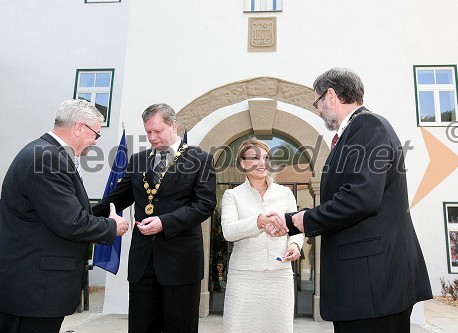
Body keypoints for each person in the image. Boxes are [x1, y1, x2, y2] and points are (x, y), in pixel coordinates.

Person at [286, 68, 433, 333]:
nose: (318, 111)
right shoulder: (357, 132)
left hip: (373, 284)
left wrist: (308, 219)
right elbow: (347, 197)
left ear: (331, 95)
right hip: (368, 286)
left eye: (317, 102)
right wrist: (293, 220)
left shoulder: (367, 126)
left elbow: (361, 197)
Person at [0, 99, 129, 333]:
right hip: (34, 291)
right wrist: (112, 226)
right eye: (96, 135)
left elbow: (62, 212)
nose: (95, 143)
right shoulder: (46, 158)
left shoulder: (47, 153)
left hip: (35, 288)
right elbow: (70, 223)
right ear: (79, 128)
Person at [92, 103, 217, 333]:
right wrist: (82, 216)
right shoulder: (138, 160)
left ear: (174, 125)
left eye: (157, 131)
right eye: (148, 132)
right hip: (143, 263)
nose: (152, 137)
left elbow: (205, 205)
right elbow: (116, 198)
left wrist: (164, 222)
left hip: (180, 262)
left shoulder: (200, 159)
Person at [221, 138, 304, 333]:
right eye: (255, 158)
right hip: (244, 276)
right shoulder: (232, 195)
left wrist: (295, 246)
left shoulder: (285, 194)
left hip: (279, 275)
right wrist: (259, 221)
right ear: (242, 163)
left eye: (266, 158)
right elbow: (229, 231)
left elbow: (296, 229)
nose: (262, 163)